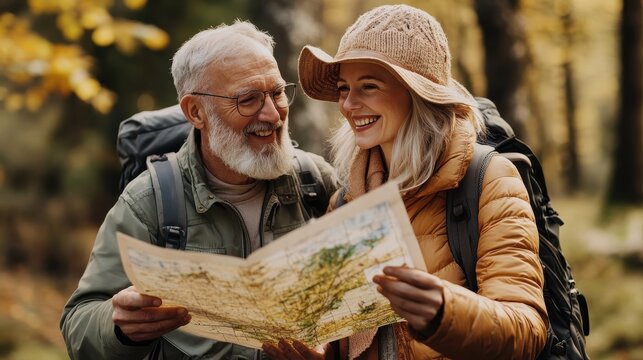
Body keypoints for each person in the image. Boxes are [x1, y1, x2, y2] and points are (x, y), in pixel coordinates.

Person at [266, 4, 548, 360]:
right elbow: (349, 337)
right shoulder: (346, 202)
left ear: (418, 93)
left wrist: (445, 311)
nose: (349, 104)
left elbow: (527, 332)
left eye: (368, 86)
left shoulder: (488, 179)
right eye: (343, 88)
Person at [60, 21, 337, 360]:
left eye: (277, 93)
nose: (272, 113)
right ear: (196, 112)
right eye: (248, 99)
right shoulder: (149, 202)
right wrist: (118, 327)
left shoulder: (315, 183)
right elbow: (78, 324)